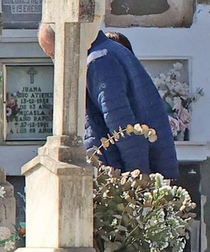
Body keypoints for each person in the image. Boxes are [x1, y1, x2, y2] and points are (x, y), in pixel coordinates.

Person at [38, 24, 179, 180]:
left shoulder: (100, 61)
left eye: (53, 54)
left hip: (121, 170)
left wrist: (138, 180)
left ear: (67, 40)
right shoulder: (111, 51)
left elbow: (123, 126)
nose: (54, 61)